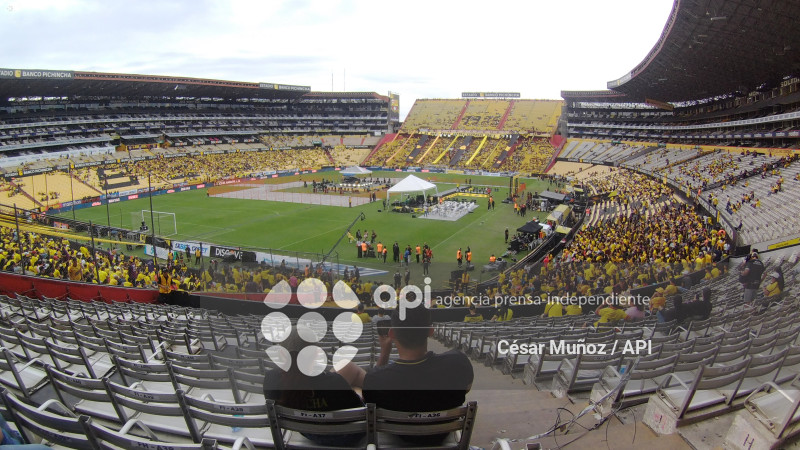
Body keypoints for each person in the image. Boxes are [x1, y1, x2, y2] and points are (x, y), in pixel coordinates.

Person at [337, 305, 473, 446]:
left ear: (391, 334)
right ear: (431, 331)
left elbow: (371, 395)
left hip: (400, 437)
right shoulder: (458, 362)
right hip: (441, 435)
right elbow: (466, 388)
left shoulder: (376, 379)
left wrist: (384, 352)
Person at [264, 326, 365, 447]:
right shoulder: (334, 382)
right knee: (357, 386)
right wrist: (357, 391)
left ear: (281, 353)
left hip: (308, 432)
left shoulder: (271, 379)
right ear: (317, 353)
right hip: (346, 436)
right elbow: (360, 413)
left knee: (345, 366)